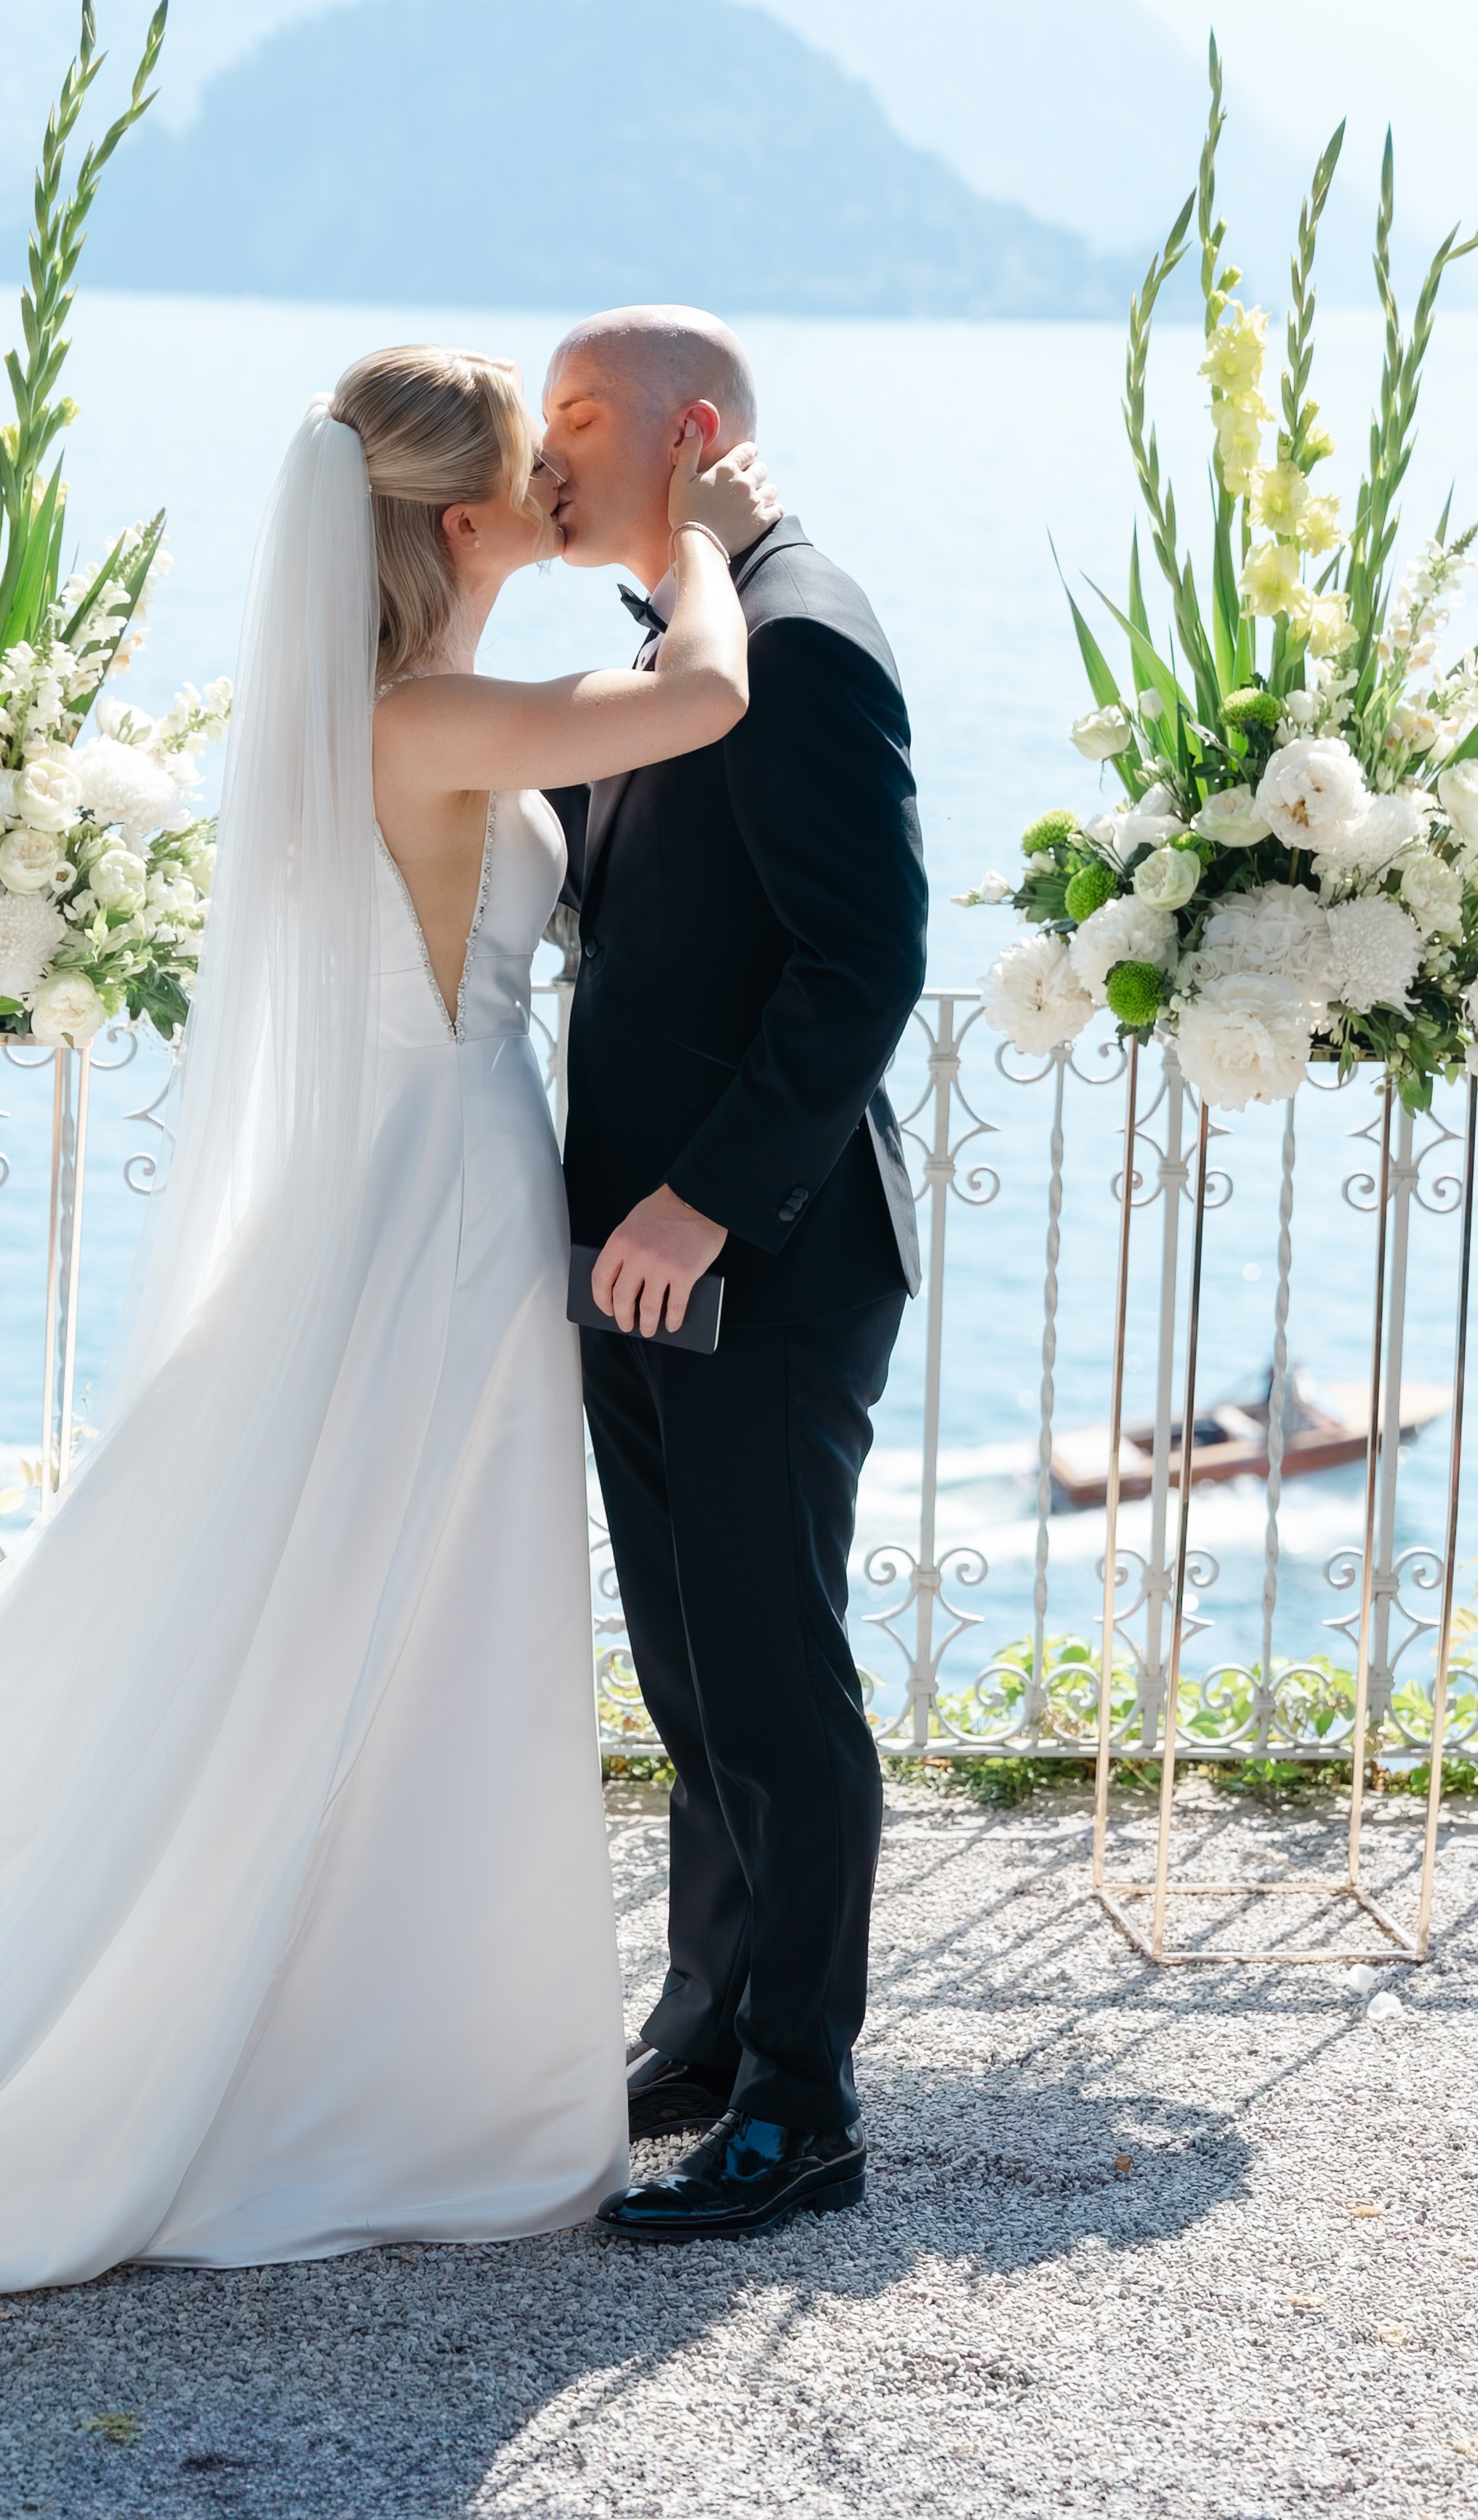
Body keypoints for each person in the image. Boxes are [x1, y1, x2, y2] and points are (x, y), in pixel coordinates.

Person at [0, 345, 773, 2351]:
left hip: (400, 1176)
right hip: (445, 1194)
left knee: (359, 1609)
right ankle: (406, 2080)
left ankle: (367, 2040)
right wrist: (711, 539)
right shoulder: (431, 713)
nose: (561, 488)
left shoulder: (362, 713)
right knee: (433, 1615)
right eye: (532, 472)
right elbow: (702, 699)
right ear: (459, 522)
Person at [542, 305, 928, 2244]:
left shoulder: (800, 633)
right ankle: (704, 2025)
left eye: (583, 418)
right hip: (638, 1258)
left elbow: (866, 958)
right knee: (694, 1677)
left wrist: (701, 1201)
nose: (547, 449)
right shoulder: (683, 639)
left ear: (693, 432)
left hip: (751, 1259)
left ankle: (803, 2107)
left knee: (775, 1687)